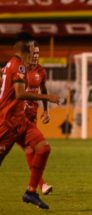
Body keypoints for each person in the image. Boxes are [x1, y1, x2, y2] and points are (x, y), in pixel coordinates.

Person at [0, 34, 60, 209]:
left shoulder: (19, 65)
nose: (35, 51)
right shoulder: (18, 66)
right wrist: (47, 97)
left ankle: (31, 192)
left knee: (43, 148)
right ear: (27, 49)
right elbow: (19, 94)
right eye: (33, 47)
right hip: (6, 122)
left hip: (21, 120)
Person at [16, 41, 53, 195]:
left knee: (32, 150)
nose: (35, 56)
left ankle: (36, 188)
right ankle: (40, 185)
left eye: (38, 53)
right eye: (33, 53)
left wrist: (46, 110)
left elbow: (43, 91)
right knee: (31, 149)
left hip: (32, 115)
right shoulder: (18, 68)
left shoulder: (41, 72)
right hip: (17, 116)